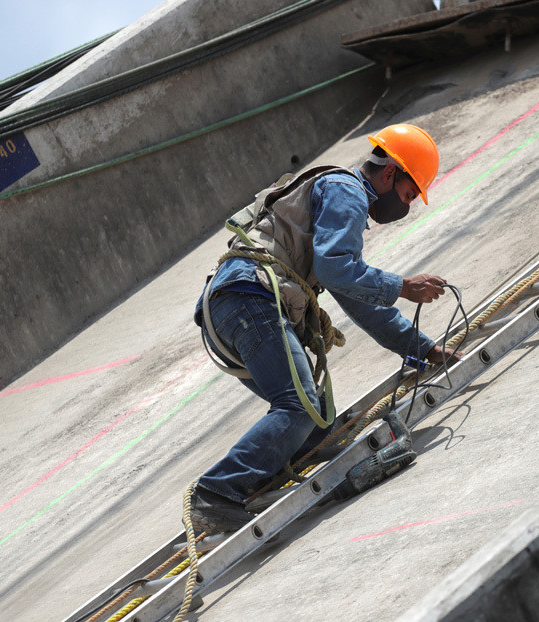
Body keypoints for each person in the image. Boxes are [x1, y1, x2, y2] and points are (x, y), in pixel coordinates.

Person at [190, 124, 458, 534]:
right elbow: (338, 268)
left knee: (315, 428)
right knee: (300, 408)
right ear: (390, 174)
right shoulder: (347, 191)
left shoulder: (337, 199)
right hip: (250, 298)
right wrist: (404, 287)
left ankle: (254, 483)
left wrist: (419, 347)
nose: (403, 206)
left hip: (229, 308)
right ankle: (215, 494)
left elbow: (355, 294)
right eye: (406, 195)